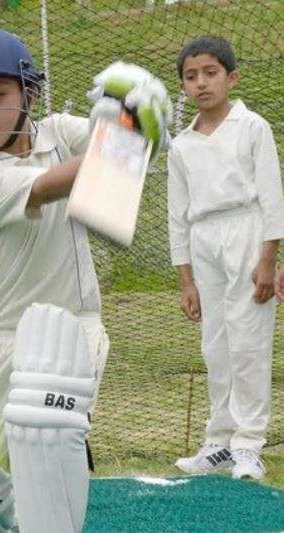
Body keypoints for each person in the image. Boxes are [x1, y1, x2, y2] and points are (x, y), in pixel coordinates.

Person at [0, 27, 170, 531]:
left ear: (29, 95)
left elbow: (125, 163)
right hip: (2, 340)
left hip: (72, 328)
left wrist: (142, 130)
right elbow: (60, 182)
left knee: (48, 437)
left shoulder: (60, 131)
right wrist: (124, 126)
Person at [168, 36, 284, 481]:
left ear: (231, 78)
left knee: (249, 342)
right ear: (182, 86)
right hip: (204, 240)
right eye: (191, 76)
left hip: (247, 233)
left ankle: (249, 446)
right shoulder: (181, 145)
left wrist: (267, 259)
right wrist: (186, 280)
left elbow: (272, 197)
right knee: (215, 344)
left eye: (211, 73)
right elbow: (177, 215)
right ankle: (218, 441)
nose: (201, 83)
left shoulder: (253, 127)